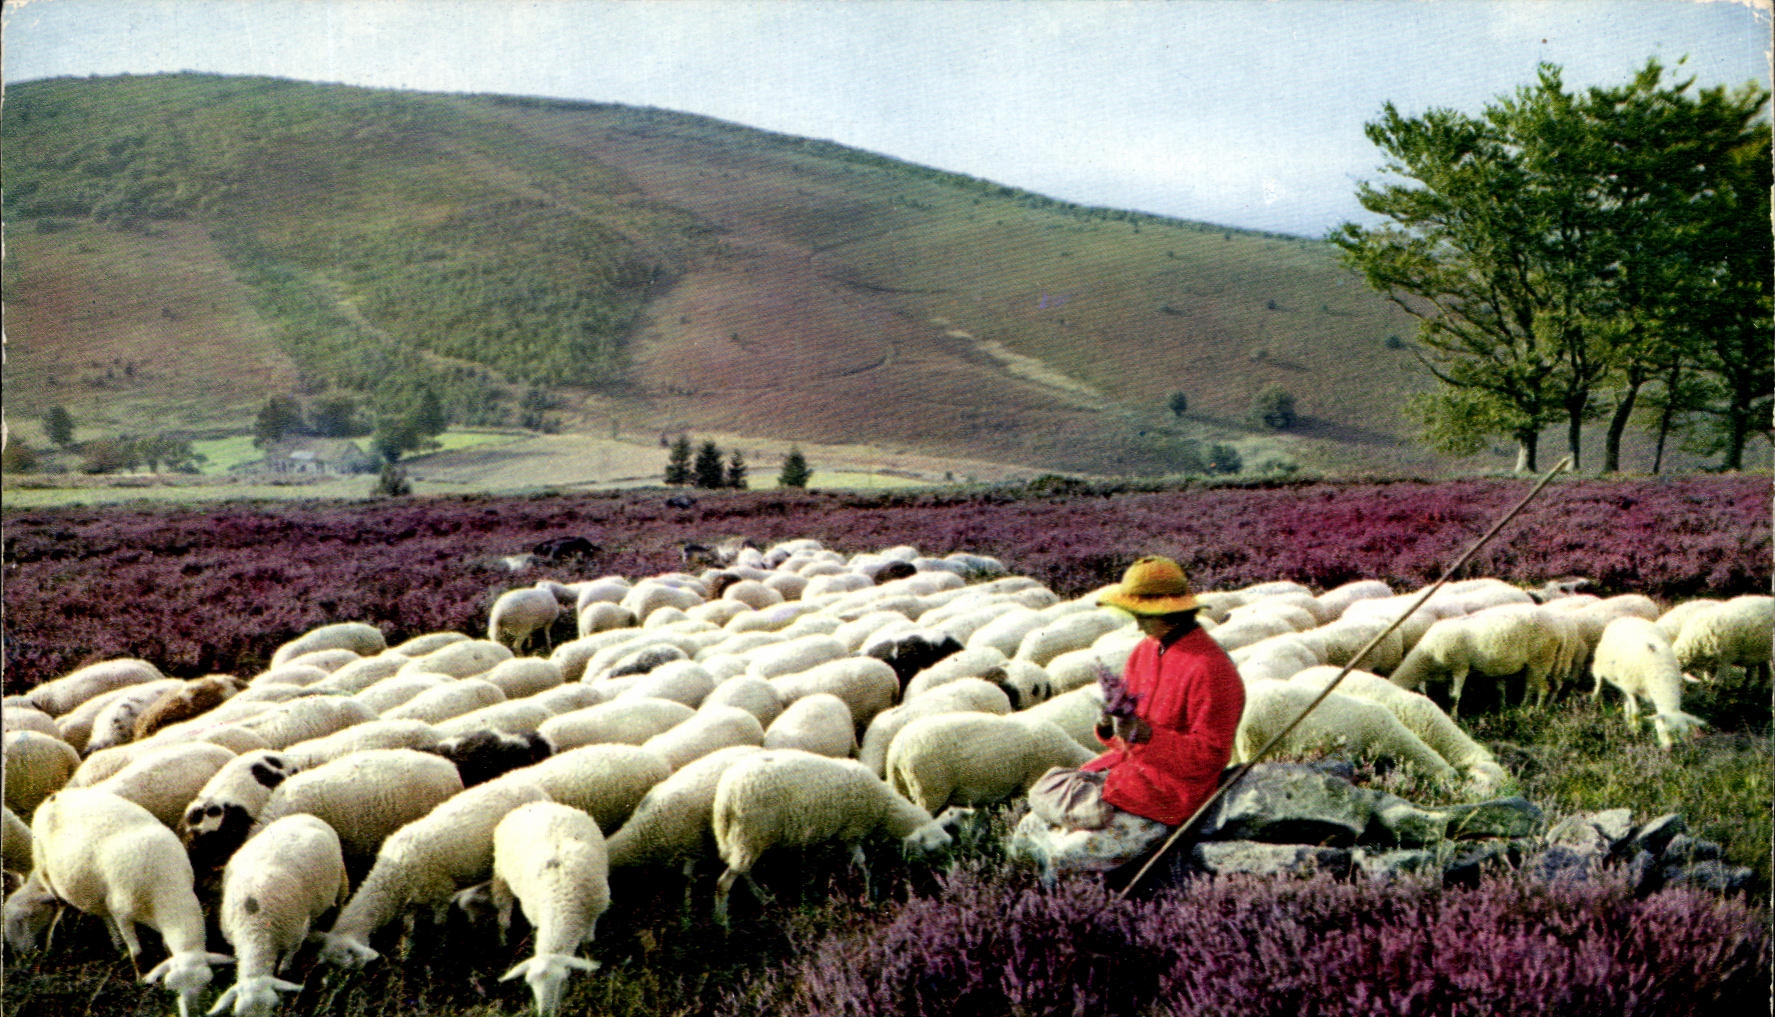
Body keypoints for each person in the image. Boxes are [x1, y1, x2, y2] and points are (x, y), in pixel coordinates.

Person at [1010, 556, 1245, 879]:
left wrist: (1147, 736)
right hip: (1125, 780)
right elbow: (1130, 730)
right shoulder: (1145, 651)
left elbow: (1210, 757)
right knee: (1029, 828)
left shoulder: (1211, 669)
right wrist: (1110, 727)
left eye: (1142, 615)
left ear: (1168, 612)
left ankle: (1068, 921)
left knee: (1067, 857)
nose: (1137, 623)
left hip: (1168, 799)